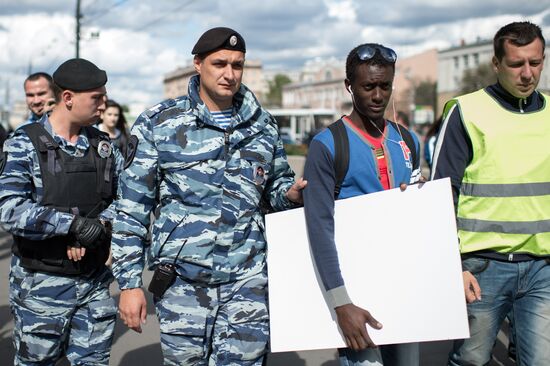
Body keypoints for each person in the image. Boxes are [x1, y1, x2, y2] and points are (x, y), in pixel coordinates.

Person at [112, 27, 306, 365]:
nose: (229, 74)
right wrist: (129, 284)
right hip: (183, 285)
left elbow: (274, 188)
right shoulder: (160, 123)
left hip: (246, 283)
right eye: (220, 64)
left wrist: (289, 194)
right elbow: (131, 209)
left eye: (237, 65)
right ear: (198, 64)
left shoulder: (263, 126)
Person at [431, 21, 550, 366]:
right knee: (471, 361)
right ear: (496, 64)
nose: (527, 73)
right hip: (482, 269)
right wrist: (452, 265)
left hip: (541, 269)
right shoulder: (466, 111)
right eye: (516, 64)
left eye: (535, 62)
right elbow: (441, 196)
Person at [303, 43, 421, 366]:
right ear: (349, 86)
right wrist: (341, 304)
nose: (378, 95)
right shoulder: (327, 146)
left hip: (404, 291)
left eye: (385, 86)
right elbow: (319, 229)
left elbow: (419, 219)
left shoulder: (408, 141)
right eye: (368, 86)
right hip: (356, 296)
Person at [0, 58, 124, 365]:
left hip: (94, 283)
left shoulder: (103, 147)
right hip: (42, 287)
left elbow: (130, 201)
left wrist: (99, 227)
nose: (103, 104)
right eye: (96, 98)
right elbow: (9, 209)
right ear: (67, 98)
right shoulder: (23, 145)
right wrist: (72, 226)